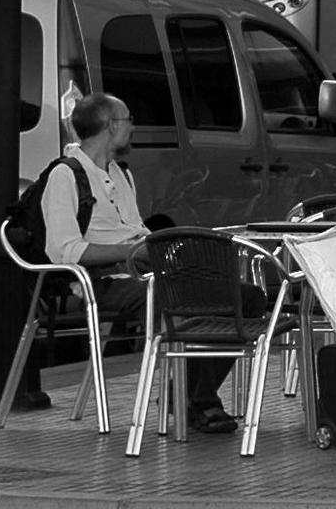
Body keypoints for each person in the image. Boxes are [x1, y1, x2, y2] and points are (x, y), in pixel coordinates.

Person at [41, 92, 242, 434]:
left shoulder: (121, 174)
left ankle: (188, 393)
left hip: (145, 273)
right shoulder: (65, 175)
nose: (132, 128)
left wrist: (165, 249)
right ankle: (199, 399)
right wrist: (133, 253)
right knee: (178, 301)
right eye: (128, 120)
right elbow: (65, 250)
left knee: (241, 296)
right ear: (109, 126)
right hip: (101, 282)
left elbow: (136, 231)